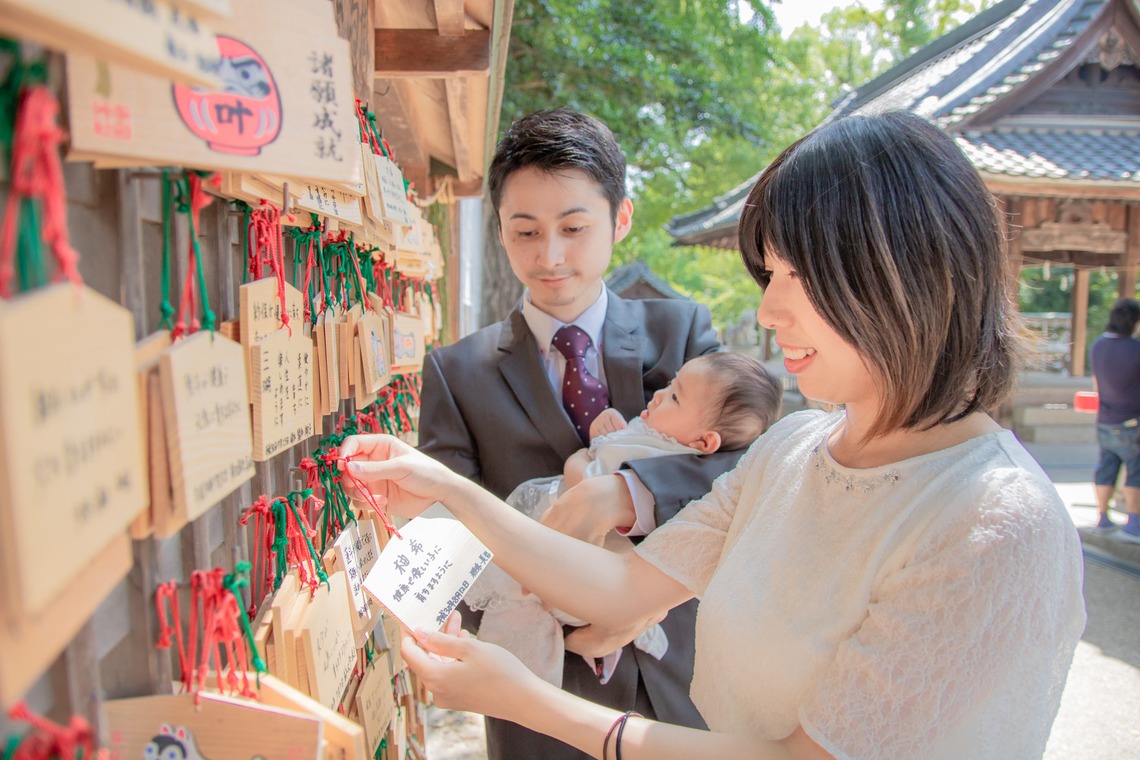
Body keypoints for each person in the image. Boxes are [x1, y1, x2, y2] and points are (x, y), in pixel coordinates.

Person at [343, 111, 1086, 759]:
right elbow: (624, 585)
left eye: (801, 276)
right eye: (770, 275)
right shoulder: (798, 448)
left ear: (910, 277)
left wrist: (536, 701)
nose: (768, 314)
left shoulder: (991, 522)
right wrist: (447, 490)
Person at [413, 107, 747, 759]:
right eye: (526, 231)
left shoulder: (680, 335)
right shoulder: (457, 372)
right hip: (540, 694)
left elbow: (744, 467)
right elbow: (449, 529)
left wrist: (624, 494)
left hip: (686, 681)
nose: (551, 256)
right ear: (502, 231)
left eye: (573, 227)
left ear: (620, 220)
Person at [470, 353, 782, 688]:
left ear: (705, 443)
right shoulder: (659, 436)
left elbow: (587, 476)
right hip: (583, 567)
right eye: (669, 384)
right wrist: (607, 430)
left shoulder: (662, 455)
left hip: (589, 576)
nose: (659, 395)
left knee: (527, 593)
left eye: (675, 397)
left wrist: (580, 456)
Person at [1089, 297, 1140, 540]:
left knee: (1106, 468)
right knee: (1136, 470)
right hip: (1130, 420)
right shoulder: (1135, 348)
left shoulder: (1097, 345)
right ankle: (1133, 521)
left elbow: (1096, 384)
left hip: (1104, 418)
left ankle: (1102, 516)